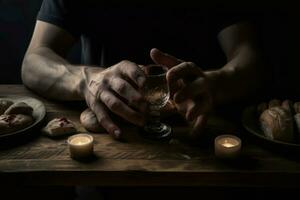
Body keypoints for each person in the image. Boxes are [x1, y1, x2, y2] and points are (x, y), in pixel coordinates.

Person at [22, 0, 264, 140]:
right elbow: (34, 60)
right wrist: (87, 80)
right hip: (109, 150)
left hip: (200, 141)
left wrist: (215, 83)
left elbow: (251, 60)